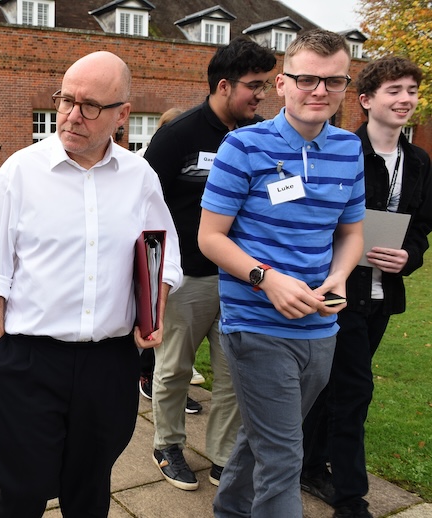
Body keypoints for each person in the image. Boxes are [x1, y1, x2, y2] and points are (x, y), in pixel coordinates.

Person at [0, 51, 183, 517]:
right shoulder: (20, 172)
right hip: (29, 362)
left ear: (122, 115)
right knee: (22, 492)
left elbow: (164, 256)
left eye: (90, 106)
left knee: (89, 492)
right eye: (66, 100)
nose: (72, 116)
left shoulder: (139, 177)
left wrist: (155, 310)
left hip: (108, 365)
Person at [197, 29, 365, 516]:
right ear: (282, 84)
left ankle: (230, 510)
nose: (319, 91)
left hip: (321, 325)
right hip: (256, 325)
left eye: (333, 81)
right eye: (307, 79)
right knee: (284, 455)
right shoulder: (243, 145)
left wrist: (339, 275)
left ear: (345, 86)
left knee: (266, 438)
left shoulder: (348, 149)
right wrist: (266, 279)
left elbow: (351, 233)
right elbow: (210, 237)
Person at [143, 37, 276, 491]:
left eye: (264, 86)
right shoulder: (178, 135)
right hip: (187, 278)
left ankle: (223, 456)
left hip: (241, 277)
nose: (261, 96)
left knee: (234, 376)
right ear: (224, 86)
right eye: (254, 86)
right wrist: (153, 278)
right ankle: (167, 445)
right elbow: (142, 207)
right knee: (175, 369)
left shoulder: (257, 137)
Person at [301, 56, 432, 518]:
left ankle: (308, 464)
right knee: (355, 390)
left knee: (333, 388)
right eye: (394, 90)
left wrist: (409, 256)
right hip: (340, 291)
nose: (405, 99)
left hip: (383, 296)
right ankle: (350, 497)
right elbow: (319, 219)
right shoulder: (342, 151)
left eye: (411, 90)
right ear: (366, 100)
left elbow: (421, 227)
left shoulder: (419, 161)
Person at [137, 106, 202, 414]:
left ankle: (167, 380)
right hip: (164, 253)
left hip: (191, 258)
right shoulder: (149, 162)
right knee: (157, 326)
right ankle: (146, 375)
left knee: (174, 337)